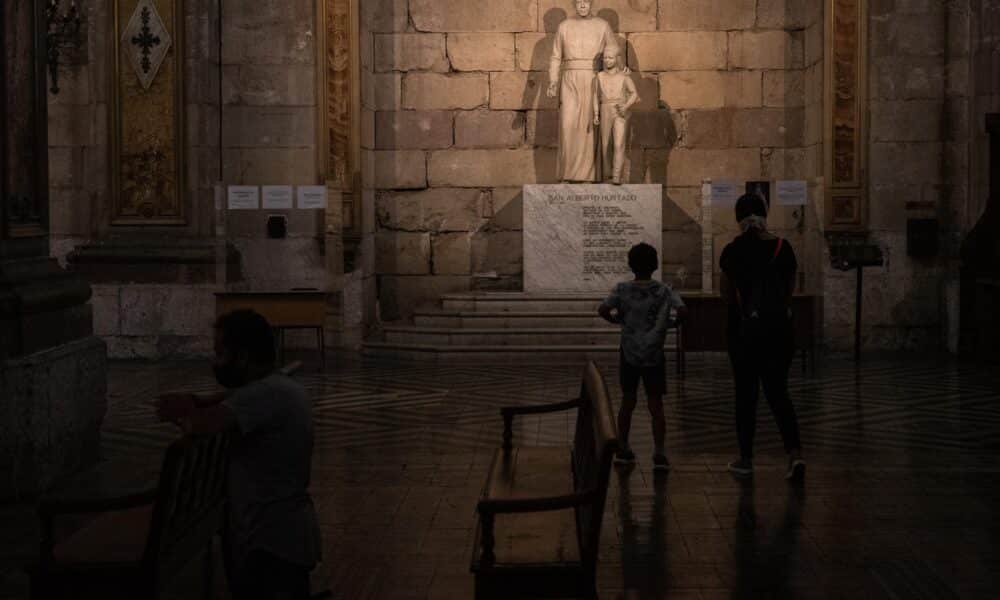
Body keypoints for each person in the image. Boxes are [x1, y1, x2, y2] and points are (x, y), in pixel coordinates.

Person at [156, 310, 321, 600]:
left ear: (242, 357)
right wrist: (198, 400)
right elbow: (227, 400)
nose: (216, 362)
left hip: (272, 540)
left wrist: (179, 412)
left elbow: (201, 424)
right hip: (280, 533)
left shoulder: (265, 395)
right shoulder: (278, 386)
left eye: (220, 353)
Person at [720, 193, 806, 481]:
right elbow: (789, 290)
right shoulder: (783, 248)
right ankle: (794, 455)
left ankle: (746, 459)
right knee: (779, 393)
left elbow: (726, 294)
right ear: (765, 214)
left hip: (744, 334)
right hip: (779, 332)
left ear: (738, 218)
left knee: (746, 396)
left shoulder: (733, 250)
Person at [598, 243, 687, 470]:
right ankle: (659, 452)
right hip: (654, 354)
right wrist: (672, 324)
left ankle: (624, 448)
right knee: (656, 404)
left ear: (630, 264)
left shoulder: (622, 289)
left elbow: (603, 309)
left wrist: (618, 320)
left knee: (628, 401)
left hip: (629, 352)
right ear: (655, 264)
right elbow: (683, 310)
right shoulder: (664, 290)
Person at [547, 0, 620, 182]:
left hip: (594, 78)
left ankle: (591, 176)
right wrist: (553, 81)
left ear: (591, 3)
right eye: (579, 2)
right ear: (574, 4)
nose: (582, 6)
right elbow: (556, 56)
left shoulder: (602, 26)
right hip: (569, 80)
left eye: (586, 2)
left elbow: (613, 52)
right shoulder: (564, 27)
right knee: (568, 125)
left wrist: (619, 73)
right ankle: (567, 174)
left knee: (590, 127)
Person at [593, 46, 639, 185]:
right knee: (605, 144)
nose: (607, 60)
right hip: (605, 108)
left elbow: (634, 94)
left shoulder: (623, 77)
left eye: (610, 57)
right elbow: (595, 96)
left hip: (619, 111)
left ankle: (616, 176)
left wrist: (625, 106)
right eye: (605, 58)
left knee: (619, 144)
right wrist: (596, 113)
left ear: (616, 59)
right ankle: (607, 174)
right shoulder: (599, 76)